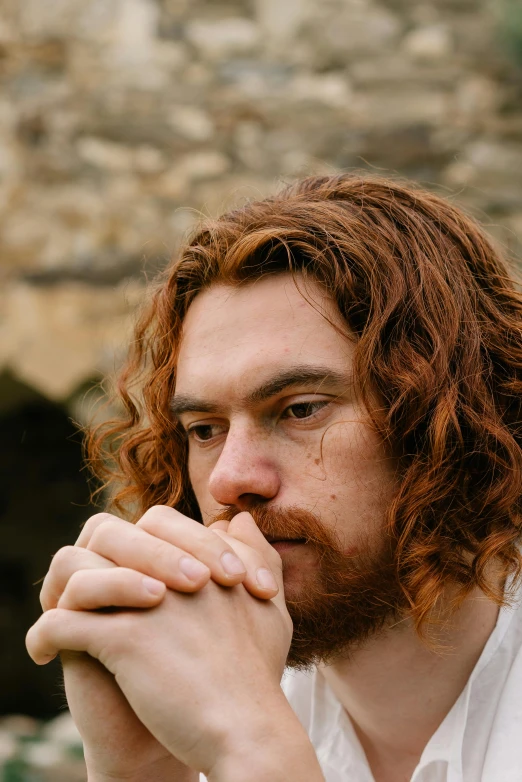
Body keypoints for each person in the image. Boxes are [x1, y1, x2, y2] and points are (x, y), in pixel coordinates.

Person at [26, 173, 522, 782]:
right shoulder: (217, 704)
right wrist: (148, 771)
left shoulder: (239, 727)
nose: (230, 480)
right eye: (204, 429)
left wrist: (255, 754)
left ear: (462, 415)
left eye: (301, 409)